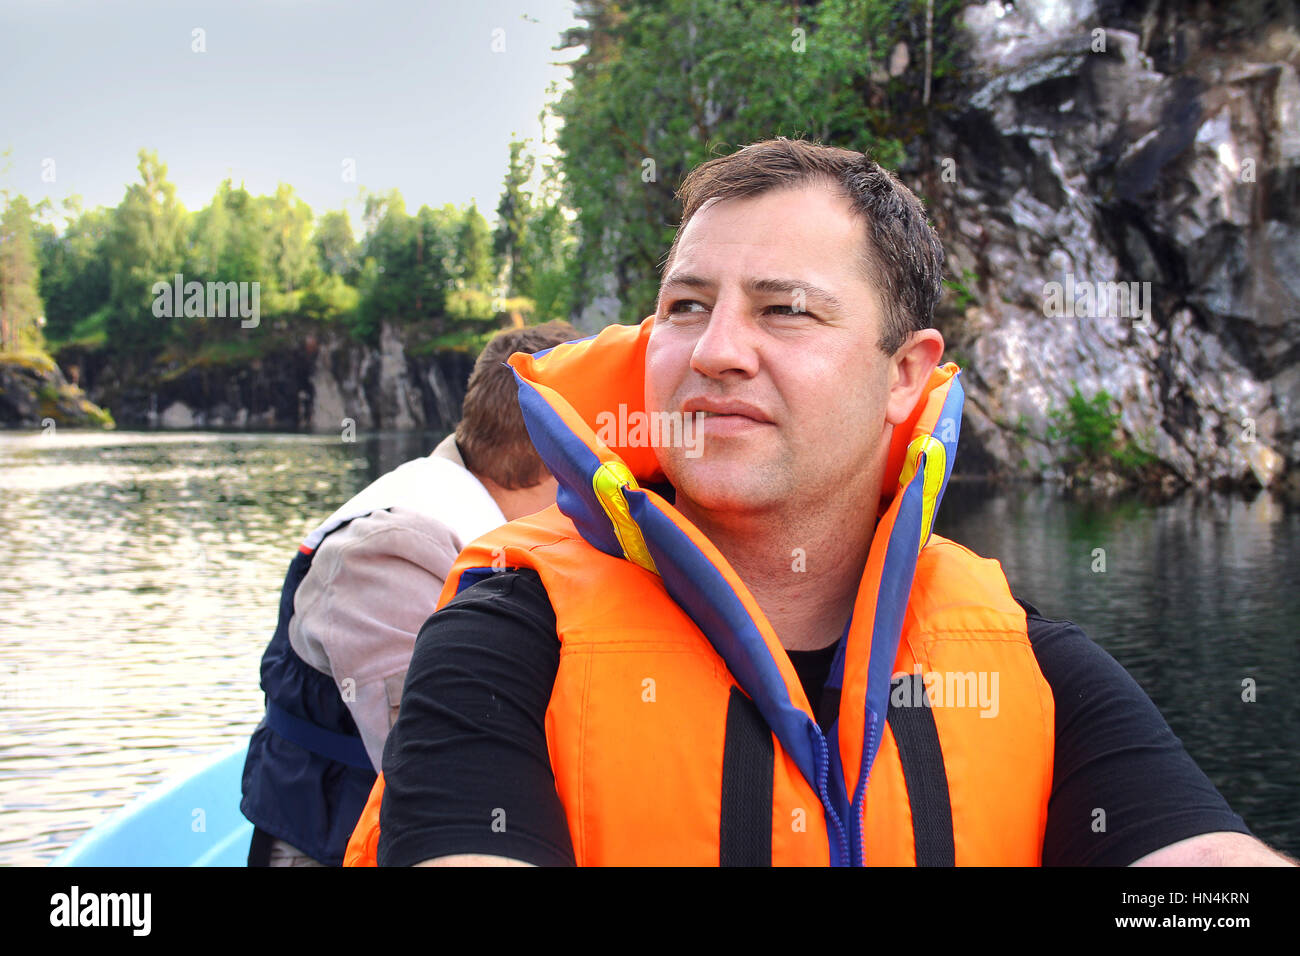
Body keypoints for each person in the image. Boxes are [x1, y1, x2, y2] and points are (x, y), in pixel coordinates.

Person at [345, 138, 1295, 866]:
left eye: (783, 308)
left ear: (902, 375)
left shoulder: (1034, 665)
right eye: (684, 306)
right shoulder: (503, 642)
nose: (716, 349)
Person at [240, 320, 579, 866]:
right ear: (553, 460)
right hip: (331, 844)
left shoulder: (483, 516)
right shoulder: (390, 554)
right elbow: (437, 767)